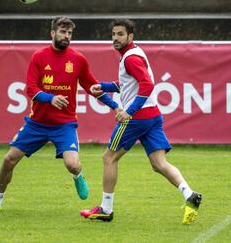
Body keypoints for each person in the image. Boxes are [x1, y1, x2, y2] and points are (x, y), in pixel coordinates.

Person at [0, 16, 119, 213]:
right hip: (37, 123)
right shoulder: (39, 56)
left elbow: (92, 87)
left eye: (69, 33)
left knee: (72, 164)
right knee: (9, 159)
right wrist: (50, 98)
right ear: (52, 33)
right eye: (62, 31)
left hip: (64, 124)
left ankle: (78, 175)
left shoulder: (78, 59)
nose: (66, 36)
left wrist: (114, 106)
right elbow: (30, 89)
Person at [79, 19, 202, 224]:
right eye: (114, 34)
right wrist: (104, 86)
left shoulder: (130, 58)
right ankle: (190, 194)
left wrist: (129, 111)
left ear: (130, 36)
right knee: (159, 164)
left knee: (109, 158)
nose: (116, 38)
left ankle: (106, 209)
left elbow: (147, 84)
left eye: (120, 34)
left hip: (137, 118)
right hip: (152, 115)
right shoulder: (134, 53)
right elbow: (130, 84)